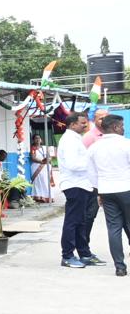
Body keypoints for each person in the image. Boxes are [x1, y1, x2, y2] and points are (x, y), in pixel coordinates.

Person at [57, 112, 103, 268]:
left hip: (82, 184)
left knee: (81, 222)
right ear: (72, 125)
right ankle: (67, 256)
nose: (85, 125)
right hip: (73, 184)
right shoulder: (69, 140)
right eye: (82, 123)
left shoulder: (75, 139)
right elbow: (73, 165)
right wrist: (91, 163)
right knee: (72, 221)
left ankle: (84, 253)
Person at [88, 114, 130, 277]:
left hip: (106, 191)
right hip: (126, 188)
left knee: (113, 228)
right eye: (122, 126)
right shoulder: (126, 144)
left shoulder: (94, 148)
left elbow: (91, 173)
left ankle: (120, 267)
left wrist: (99, 190)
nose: (123, 128)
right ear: (115, 127)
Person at [30, 135, 53, 203]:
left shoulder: (44, 148)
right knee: (38, 182)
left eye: (39, 138)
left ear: (41, 139)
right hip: (36, 167)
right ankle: (38, 197)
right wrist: (42, 161)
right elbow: (33, 158)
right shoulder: (33, 148)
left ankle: (46, 197)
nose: (37, 140)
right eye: (36, 138)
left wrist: (47, 160)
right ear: (33, 140)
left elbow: (49, 156)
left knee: (45, 181)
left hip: (45, 167)